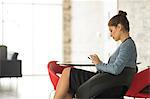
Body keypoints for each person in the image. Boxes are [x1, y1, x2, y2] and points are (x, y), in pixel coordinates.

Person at [54, 10, 137, 99]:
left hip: (110, 86)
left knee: (67, 72)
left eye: (111, 30)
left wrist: (98, 64)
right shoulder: (126, 44)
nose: (110, 34)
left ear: (119, 27)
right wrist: (99, 63)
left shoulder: (127, 45)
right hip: (108, 82)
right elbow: (116, 68)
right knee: (68, 89)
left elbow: (116, 69)